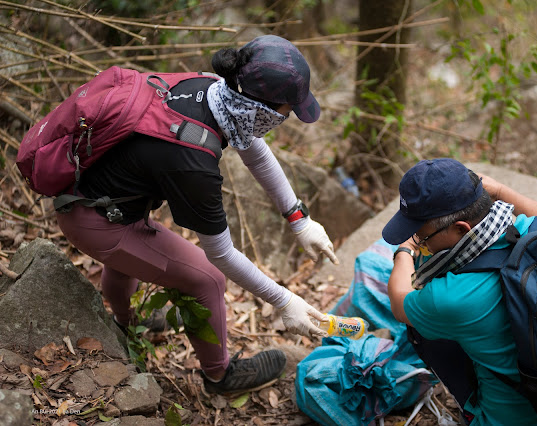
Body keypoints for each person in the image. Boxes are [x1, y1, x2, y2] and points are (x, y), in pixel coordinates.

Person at [55, 35, 337, 394]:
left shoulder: (213, 88)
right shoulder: (193, 163)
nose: (289, 117)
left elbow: (255, 151)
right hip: (96, 220)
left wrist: (299, 218)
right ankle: (220, 376)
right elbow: (220, 254)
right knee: (207, 280)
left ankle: (123, 323)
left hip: (93, 195)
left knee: (130, 256)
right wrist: (285, 300)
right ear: (263, 109)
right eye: (288, 110)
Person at [382, 158, 537, 425]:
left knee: (420, 328)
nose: (420, 243)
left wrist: (405, 250)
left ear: (461, 229)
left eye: (422, 237)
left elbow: (399, 303)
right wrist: (502, 191)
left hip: (518, 420)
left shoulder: (450, 298)